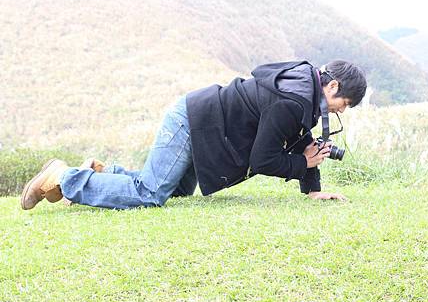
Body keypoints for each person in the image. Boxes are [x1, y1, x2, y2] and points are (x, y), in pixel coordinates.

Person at [21, 60, 367, 210]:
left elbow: (303, 141)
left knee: (178, 191)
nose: (342, 110)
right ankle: (64, 177)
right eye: (344, 102)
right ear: (332, 85)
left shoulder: (302, 87)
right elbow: (264, 159)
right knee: (151, 193)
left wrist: (312, 190)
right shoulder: (292, 99)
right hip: (193, 121)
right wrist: (299, 164)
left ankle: (98, 173)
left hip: (205, 126)